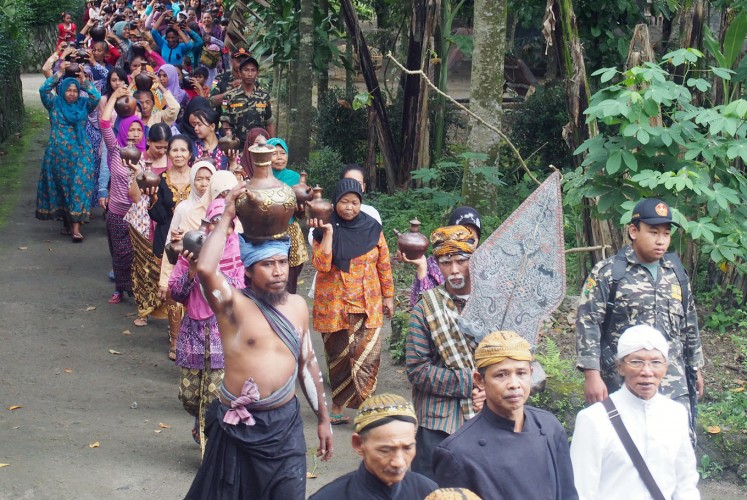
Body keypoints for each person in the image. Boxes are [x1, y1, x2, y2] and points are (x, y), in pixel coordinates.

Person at [186, 184, 333, 499]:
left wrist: (323, 418)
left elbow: (307, 363)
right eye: (268, 264)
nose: (278, 272)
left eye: (282, 263)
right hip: (241, 426)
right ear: (249, 270)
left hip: (285, 425)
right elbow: (205, 268)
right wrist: (227, 213)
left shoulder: (296, 306)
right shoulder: (233, 308)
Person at [575, 198, 704, 418]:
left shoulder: (676, 274)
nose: (661, 240)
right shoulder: (608, 273)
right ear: (634, 231)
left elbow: (689, 324)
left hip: (672, 382)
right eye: (653, 232)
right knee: (623, 445)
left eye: (665, 234)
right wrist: (592, 374)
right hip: (622, 381)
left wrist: (695, 368)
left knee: (673, 445)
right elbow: (588, 323)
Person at [433, 331, 578, 500]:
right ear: (480, 380)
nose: (514, 384)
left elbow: (568, 493)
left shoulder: (549, 426)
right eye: (501, 375)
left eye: (521, 373)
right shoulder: (457, 452)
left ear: (531, 373)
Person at [570, 325, 699, 499]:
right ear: (620, 367)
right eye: (636, 362)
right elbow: (581, 488)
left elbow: (686, 483)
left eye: (655, 362)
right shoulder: (593, 419)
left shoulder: (676, 414)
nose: (647, 371)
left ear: (666, 368)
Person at [309, 178, 394, 425]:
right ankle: (337, 407)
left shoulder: (373, 228)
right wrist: (328, 233)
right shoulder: (322, 229)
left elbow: (384, 265)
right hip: (334, 306)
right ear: (335, 203)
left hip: (367, 304)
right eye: (344, 202)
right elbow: (322, 265)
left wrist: (388, 296)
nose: (349, 207)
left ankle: (368, 411)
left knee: (368, 357)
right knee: (338, 358)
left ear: (361, 203)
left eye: (355, 203)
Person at [404, 225, 480, 480]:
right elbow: (416, 368)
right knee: (430, 489)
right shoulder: (425, 308)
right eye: (446, 263)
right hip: (438, 421)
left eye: (461, 261)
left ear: (475, 259)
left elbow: (516, 358)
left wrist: (493, 388)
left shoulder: (493, 302)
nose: (455, 270)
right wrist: (471, 382)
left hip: (488, 412)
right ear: (437, 264)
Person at [170, 197, 244, 450]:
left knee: (214, 398)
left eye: (224, 224)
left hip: (223, 333)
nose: (218, 228)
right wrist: (192, 270)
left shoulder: (238, 253)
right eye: (212, 222)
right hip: (193, 332)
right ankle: (198, 419)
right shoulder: (189, 252)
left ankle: (209, 452)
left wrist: (211, 271)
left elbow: (239, 294)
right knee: (189, 395)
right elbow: (176, 294)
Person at [310, 394, 437, 499]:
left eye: (407, 448)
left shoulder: (429, 493)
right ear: (358, 444)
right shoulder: (329, 497)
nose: (398, 462)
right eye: (386, 450)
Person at [36, 65, 101, 242]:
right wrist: (60, 74)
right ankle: (67, 224)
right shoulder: (54, 103)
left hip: (81, 153)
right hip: (59, 156)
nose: (72, 94)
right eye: (69, 90)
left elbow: (96, 97)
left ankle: (76, 229)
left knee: (79, 187)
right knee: (63, 189)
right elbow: (43, 89)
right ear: (62, 90)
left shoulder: (83, 105)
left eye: (75, 91)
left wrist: (85, 82)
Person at [101, 86, 147, 301]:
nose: (135, 134)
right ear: (123, 130)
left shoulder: (147, 154)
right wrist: (114, 97)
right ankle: (120, 288)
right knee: (119, 253)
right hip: (117, 212)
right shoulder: (115, 150)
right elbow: (103, 122)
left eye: (138, 130)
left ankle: (138, 289)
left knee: (138, 254)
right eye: (131, 130)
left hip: (140, 214)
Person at [126, 122, 172, 327]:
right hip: (142, 220)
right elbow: (134, 197)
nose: (161, 151)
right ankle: (143, 310)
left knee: (165, 265)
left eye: (165, 147)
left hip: (166, 221)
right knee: (142, 267)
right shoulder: (139, 161)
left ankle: (166, 308)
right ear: (149, 142)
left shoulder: (174, 161)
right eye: (157, 146)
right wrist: (138, 173)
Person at [401, 207, 482, 307]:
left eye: (472, 238)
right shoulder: (434, 264)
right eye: (460, 236)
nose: (454, 270)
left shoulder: (486, 265)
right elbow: (422, 307)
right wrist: (421, 268)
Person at [267, 138, 308, 294]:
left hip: (290, 230)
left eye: (282, 153)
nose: (279, 157)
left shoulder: (295, 178)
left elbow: (301, 213)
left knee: (291, 274)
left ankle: (289, 306)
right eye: (274, 154)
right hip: (268, 232)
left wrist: (300, 209)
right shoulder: (262, 176)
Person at [221, 55, 275, 145]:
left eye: (253, 70)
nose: (250, 74)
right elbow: (226, 123)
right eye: (246, 70)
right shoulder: (229, 96)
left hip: (259, 145)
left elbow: (269, 123)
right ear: (240, 72)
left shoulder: (264, 96)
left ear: (257, 73)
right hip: (238, 146)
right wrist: (229, 142)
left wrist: (273, 144)